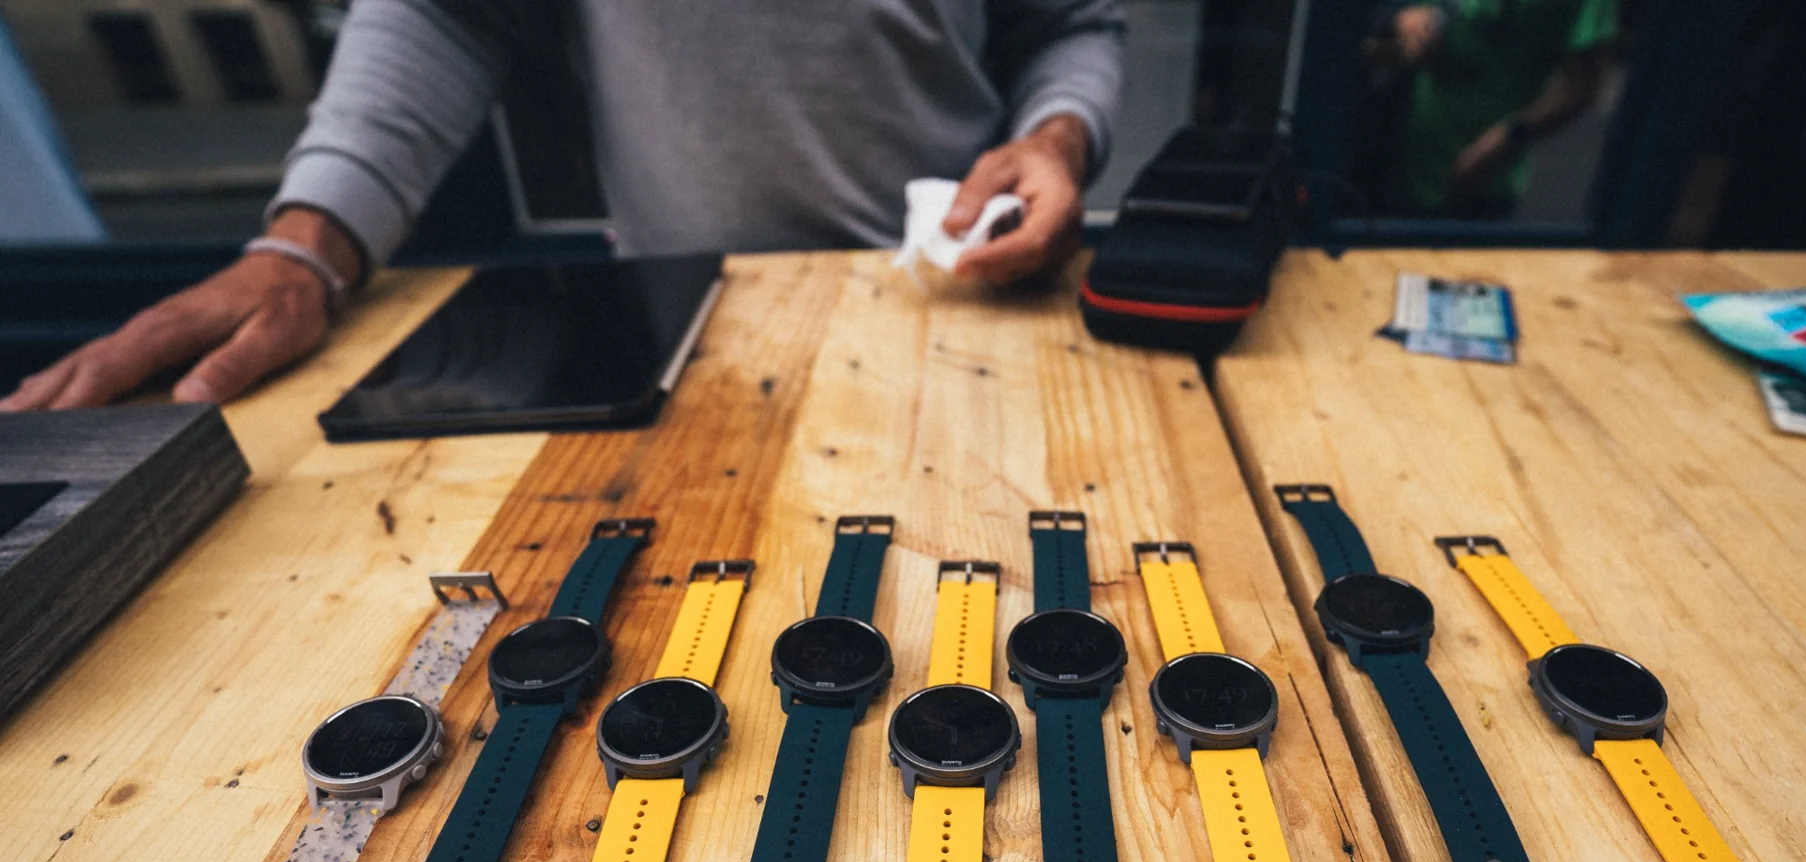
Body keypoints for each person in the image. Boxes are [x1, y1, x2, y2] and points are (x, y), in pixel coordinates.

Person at [1, 0, 1122, 412]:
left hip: (974, 305)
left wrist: (1058, 133)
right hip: (673, 329)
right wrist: (307, 246)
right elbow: (449, 12)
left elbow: (1069, 21)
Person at [1359, 0, 1619, 218]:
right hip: (1393, 159)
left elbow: (1582, 86)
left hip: (1481, 182)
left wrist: (1507, 138)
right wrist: (1403, 19)